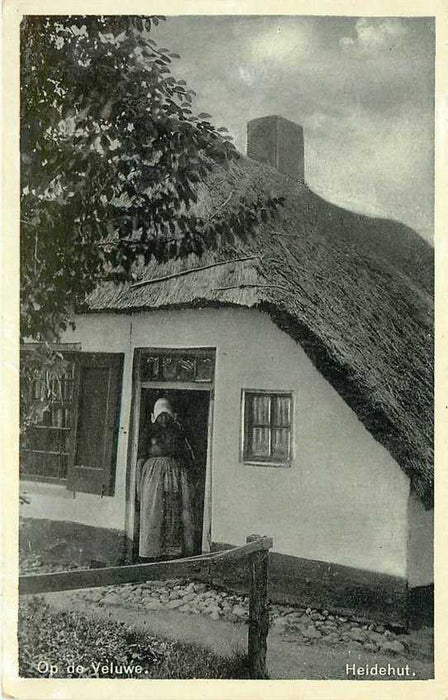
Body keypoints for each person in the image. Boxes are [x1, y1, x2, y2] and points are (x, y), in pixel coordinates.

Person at [136, 397, 195, 560]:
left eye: (166, 415)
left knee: (172, 511)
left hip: (174, 476)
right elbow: (141, 458)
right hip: (153, 476)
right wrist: (138, 484)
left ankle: (171, 552)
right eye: (160, 415)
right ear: (155, 416)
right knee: (153, 511)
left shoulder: (178, 431)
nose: (163, 419)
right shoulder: (148, 432)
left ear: (171, 416)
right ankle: (151, 552)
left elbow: (187, 453)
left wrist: (185, 476)